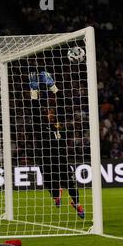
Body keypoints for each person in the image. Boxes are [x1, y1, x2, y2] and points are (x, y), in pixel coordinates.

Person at [29, 71, 84, 218]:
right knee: (49, 183)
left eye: (52, 112)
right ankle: (56, 195)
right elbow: (34, 111)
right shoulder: (41, 126)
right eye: (48, 112)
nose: (51, 113)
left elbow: (62, 104)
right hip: (46, 159)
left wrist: (53, 87)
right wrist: (34, 91)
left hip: (61, 159)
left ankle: (76, 204)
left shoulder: (59, 124)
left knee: (71, 183)